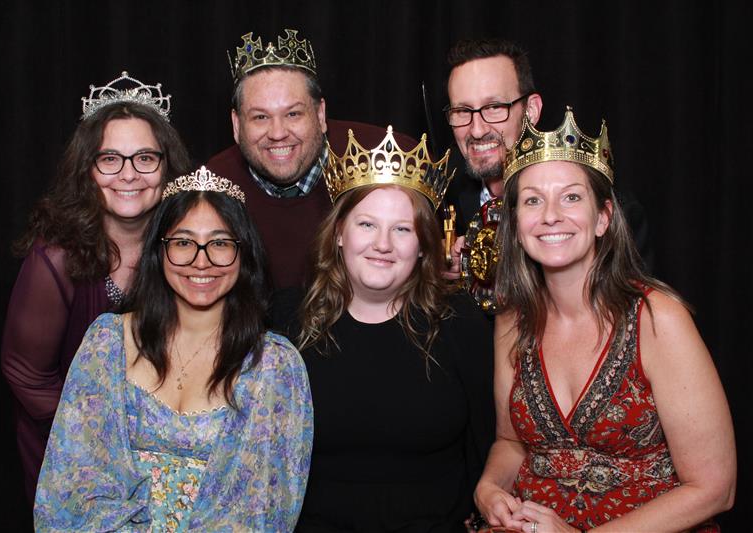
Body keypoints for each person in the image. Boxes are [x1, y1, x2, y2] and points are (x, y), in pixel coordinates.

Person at [473, 108, 735, 532]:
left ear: (603, 217)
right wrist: (487, 489)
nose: (550, 215)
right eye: (533, 200)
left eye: (571, 197)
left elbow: (714, 488)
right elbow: (510, 443)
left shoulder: (656, 319)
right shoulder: (512, 320)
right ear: (517, 224)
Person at [34, 167, 313, 531]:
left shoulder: (274, 366)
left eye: (220, 243)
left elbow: (264, 508)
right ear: (159, 251)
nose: (201, 260)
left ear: (244, 254)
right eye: (183, 242)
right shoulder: (106, 343)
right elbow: (72, 481)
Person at [272, 127, 494, 531]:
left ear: (424, 244)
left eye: (403, 229)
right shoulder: (289, 321)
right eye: (367, 225)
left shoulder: (460, 324)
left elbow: (488, 445)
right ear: (339, 233)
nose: (383, 244)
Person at [1, 71, 192, 501]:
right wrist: (102, 441)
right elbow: (25, 375)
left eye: (145, 158)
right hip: (72, 452)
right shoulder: (56, 259)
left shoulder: (185, 248)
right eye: (110, 159)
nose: (128, 174)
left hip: (165, 454)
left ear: (167, 166)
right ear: (88, 169)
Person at [207, 28, 415, 289]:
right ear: (237, 125)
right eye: (260, 117)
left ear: (320, 115)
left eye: (293, 114)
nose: (278, 133)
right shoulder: (212, 187)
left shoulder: (385, 158)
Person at [443, 38, 653, 270]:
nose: (477, 129)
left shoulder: (609, 213)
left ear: (531, 110)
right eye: (462, 111)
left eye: (494, 108)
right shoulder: (444, 194)